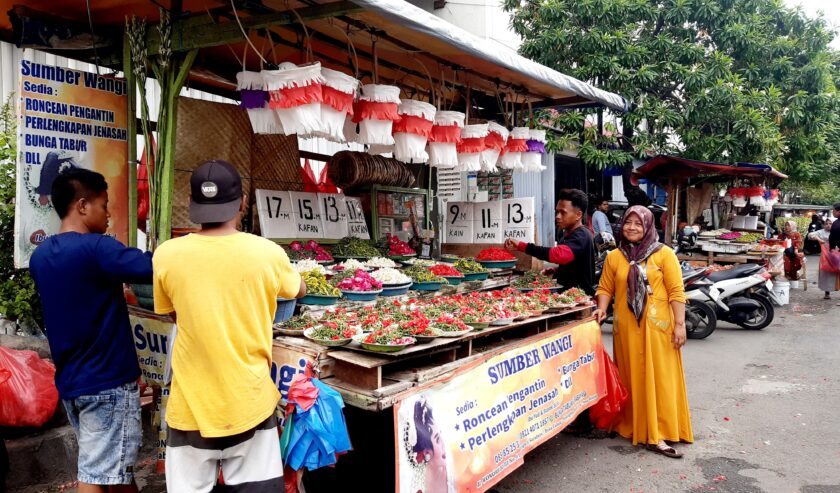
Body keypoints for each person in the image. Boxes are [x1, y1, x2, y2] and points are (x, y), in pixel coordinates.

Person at [153, 160, 306, 492]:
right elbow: (298, 290)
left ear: (195, 204)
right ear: (242, 202)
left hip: (190, 407)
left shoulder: (166, 255)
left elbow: (173, 314)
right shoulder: (267, 253)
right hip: (249, 401)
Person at [29, 169, 152, 493]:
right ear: (82, 206)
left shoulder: (41, 257)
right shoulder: (97, 249)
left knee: (116, 469)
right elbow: (153, 268)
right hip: (107, 383)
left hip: (72, 383)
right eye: (103, 205)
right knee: (96, 475)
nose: (108, 214)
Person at [592, 206, 692, 458]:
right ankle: (631, 425)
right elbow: (605, 287)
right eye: (628, 222)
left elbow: (676, 292)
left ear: (648, 226)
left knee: (659, 378)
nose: (632, 228)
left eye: (638, 223)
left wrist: (679, 325)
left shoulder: (664, 254)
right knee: (630, 375)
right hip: (626, 327)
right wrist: (602, 310)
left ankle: (658, 433)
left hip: (658, 327)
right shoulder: (615, 256)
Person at [504, 188, 595, 295]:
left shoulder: (582, 235)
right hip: (567, 297)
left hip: (581, 299)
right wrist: (556, 270)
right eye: (557, 212)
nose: (557, 216)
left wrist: (522, 246)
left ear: (578, 215)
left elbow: (558, 255)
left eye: (563, 213)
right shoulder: (566, 235)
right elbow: (573, 264)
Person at [808, 218, 838, 299]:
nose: (828, 225)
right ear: (824, 225)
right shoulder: (821, 232)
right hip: (826, 257)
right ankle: (827, 293)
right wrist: (819, 239)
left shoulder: (837, 230)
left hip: (837, 255)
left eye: (830, 223)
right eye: (826, 223)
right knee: (826, 274)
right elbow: (810, 235)